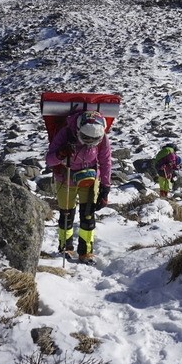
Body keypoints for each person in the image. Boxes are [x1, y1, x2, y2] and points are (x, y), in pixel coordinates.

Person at [45, 110, 112, 263]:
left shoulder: (102, 138)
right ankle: (65, 247)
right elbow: (49, 160)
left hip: (88, 180)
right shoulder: (66, 133)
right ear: (79, 131)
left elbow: (106, 161)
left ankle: (86, 252)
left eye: (93, 140)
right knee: (66, 214)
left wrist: (105, 187)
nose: (89, 143)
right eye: (86, 139)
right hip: (65, 178)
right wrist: (61, 154)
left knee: (88, 216)